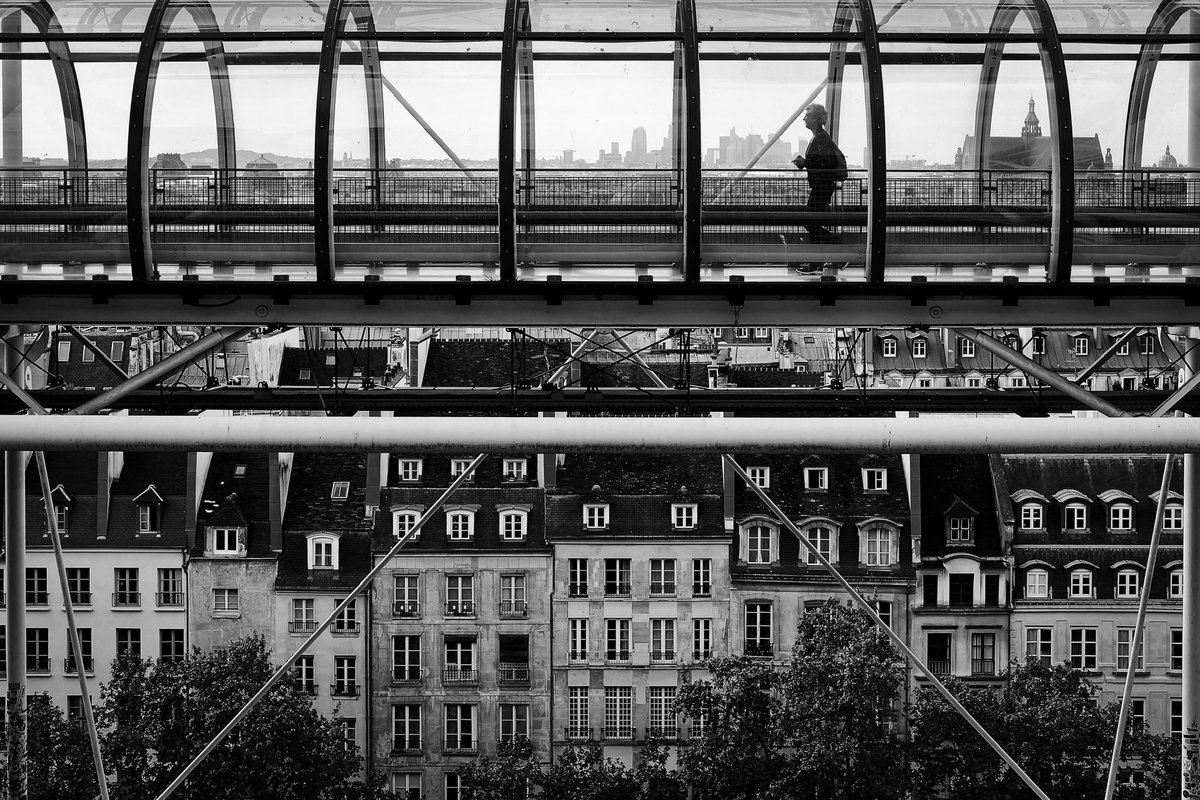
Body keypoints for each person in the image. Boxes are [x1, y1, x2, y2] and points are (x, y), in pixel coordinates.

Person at [791, 104, 843, 245]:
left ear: (815, 119)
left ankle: (836, 247)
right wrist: (806, 162)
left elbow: (829, 162)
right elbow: (824, 161)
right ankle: (820, 258)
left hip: (821, 188)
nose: (803, 119)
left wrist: (806, 162)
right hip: (822, 187)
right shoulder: (820, 137)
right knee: (811, 221)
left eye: (807, 115)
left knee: (809, 222)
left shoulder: (820, 138)